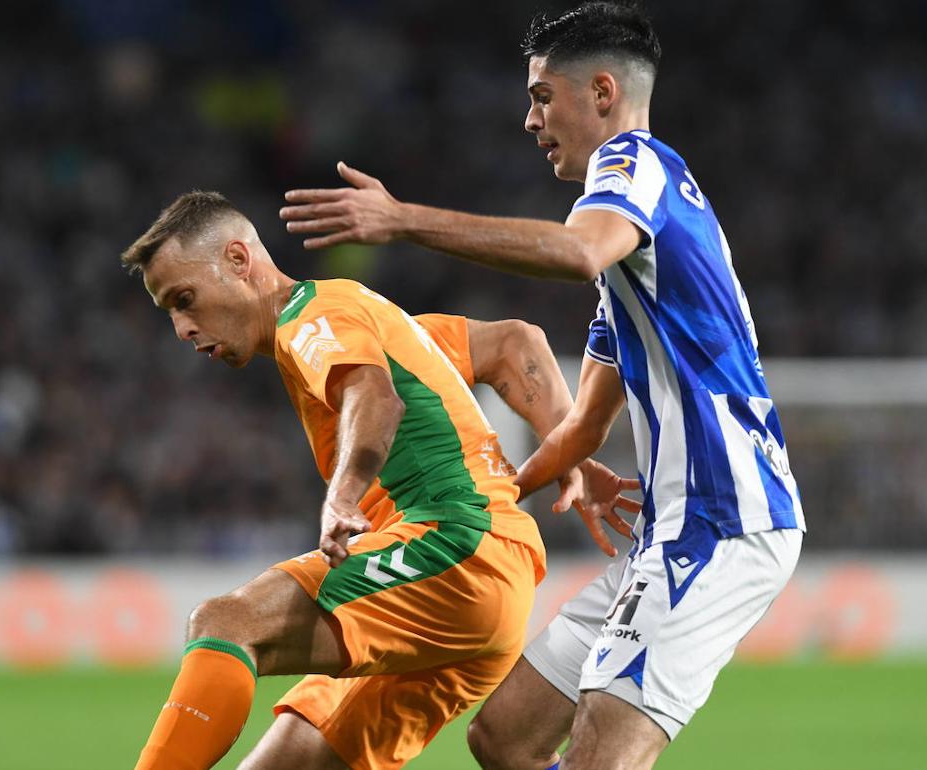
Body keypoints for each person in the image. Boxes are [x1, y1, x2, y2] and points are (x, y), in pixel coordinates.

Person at [278, 2, 806, 768]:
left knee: (602, 751)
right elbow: (587, 421)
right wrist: (499, 501)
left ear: (601, 92)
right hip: (668, 531)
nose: (529, 119)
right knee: (505, 737)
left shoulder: (635, 167)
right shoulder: (638, 261)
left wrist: (403, 220)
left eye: (540, 95)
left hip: (721, 521)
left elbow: (576, 252)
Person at [122, 190, 633, 770]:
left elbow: (374, 398)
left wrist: (342, 492)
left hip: (453, 547)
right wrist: (570, 443)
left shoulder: (309, 317)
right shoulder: (369, 318)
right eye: (170, 313)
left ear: (239, 260)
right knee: (287, 760)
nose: (182, 328)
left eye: (185, 300)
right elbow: (515, 342)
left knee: (227, 622)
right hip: (472, 585)